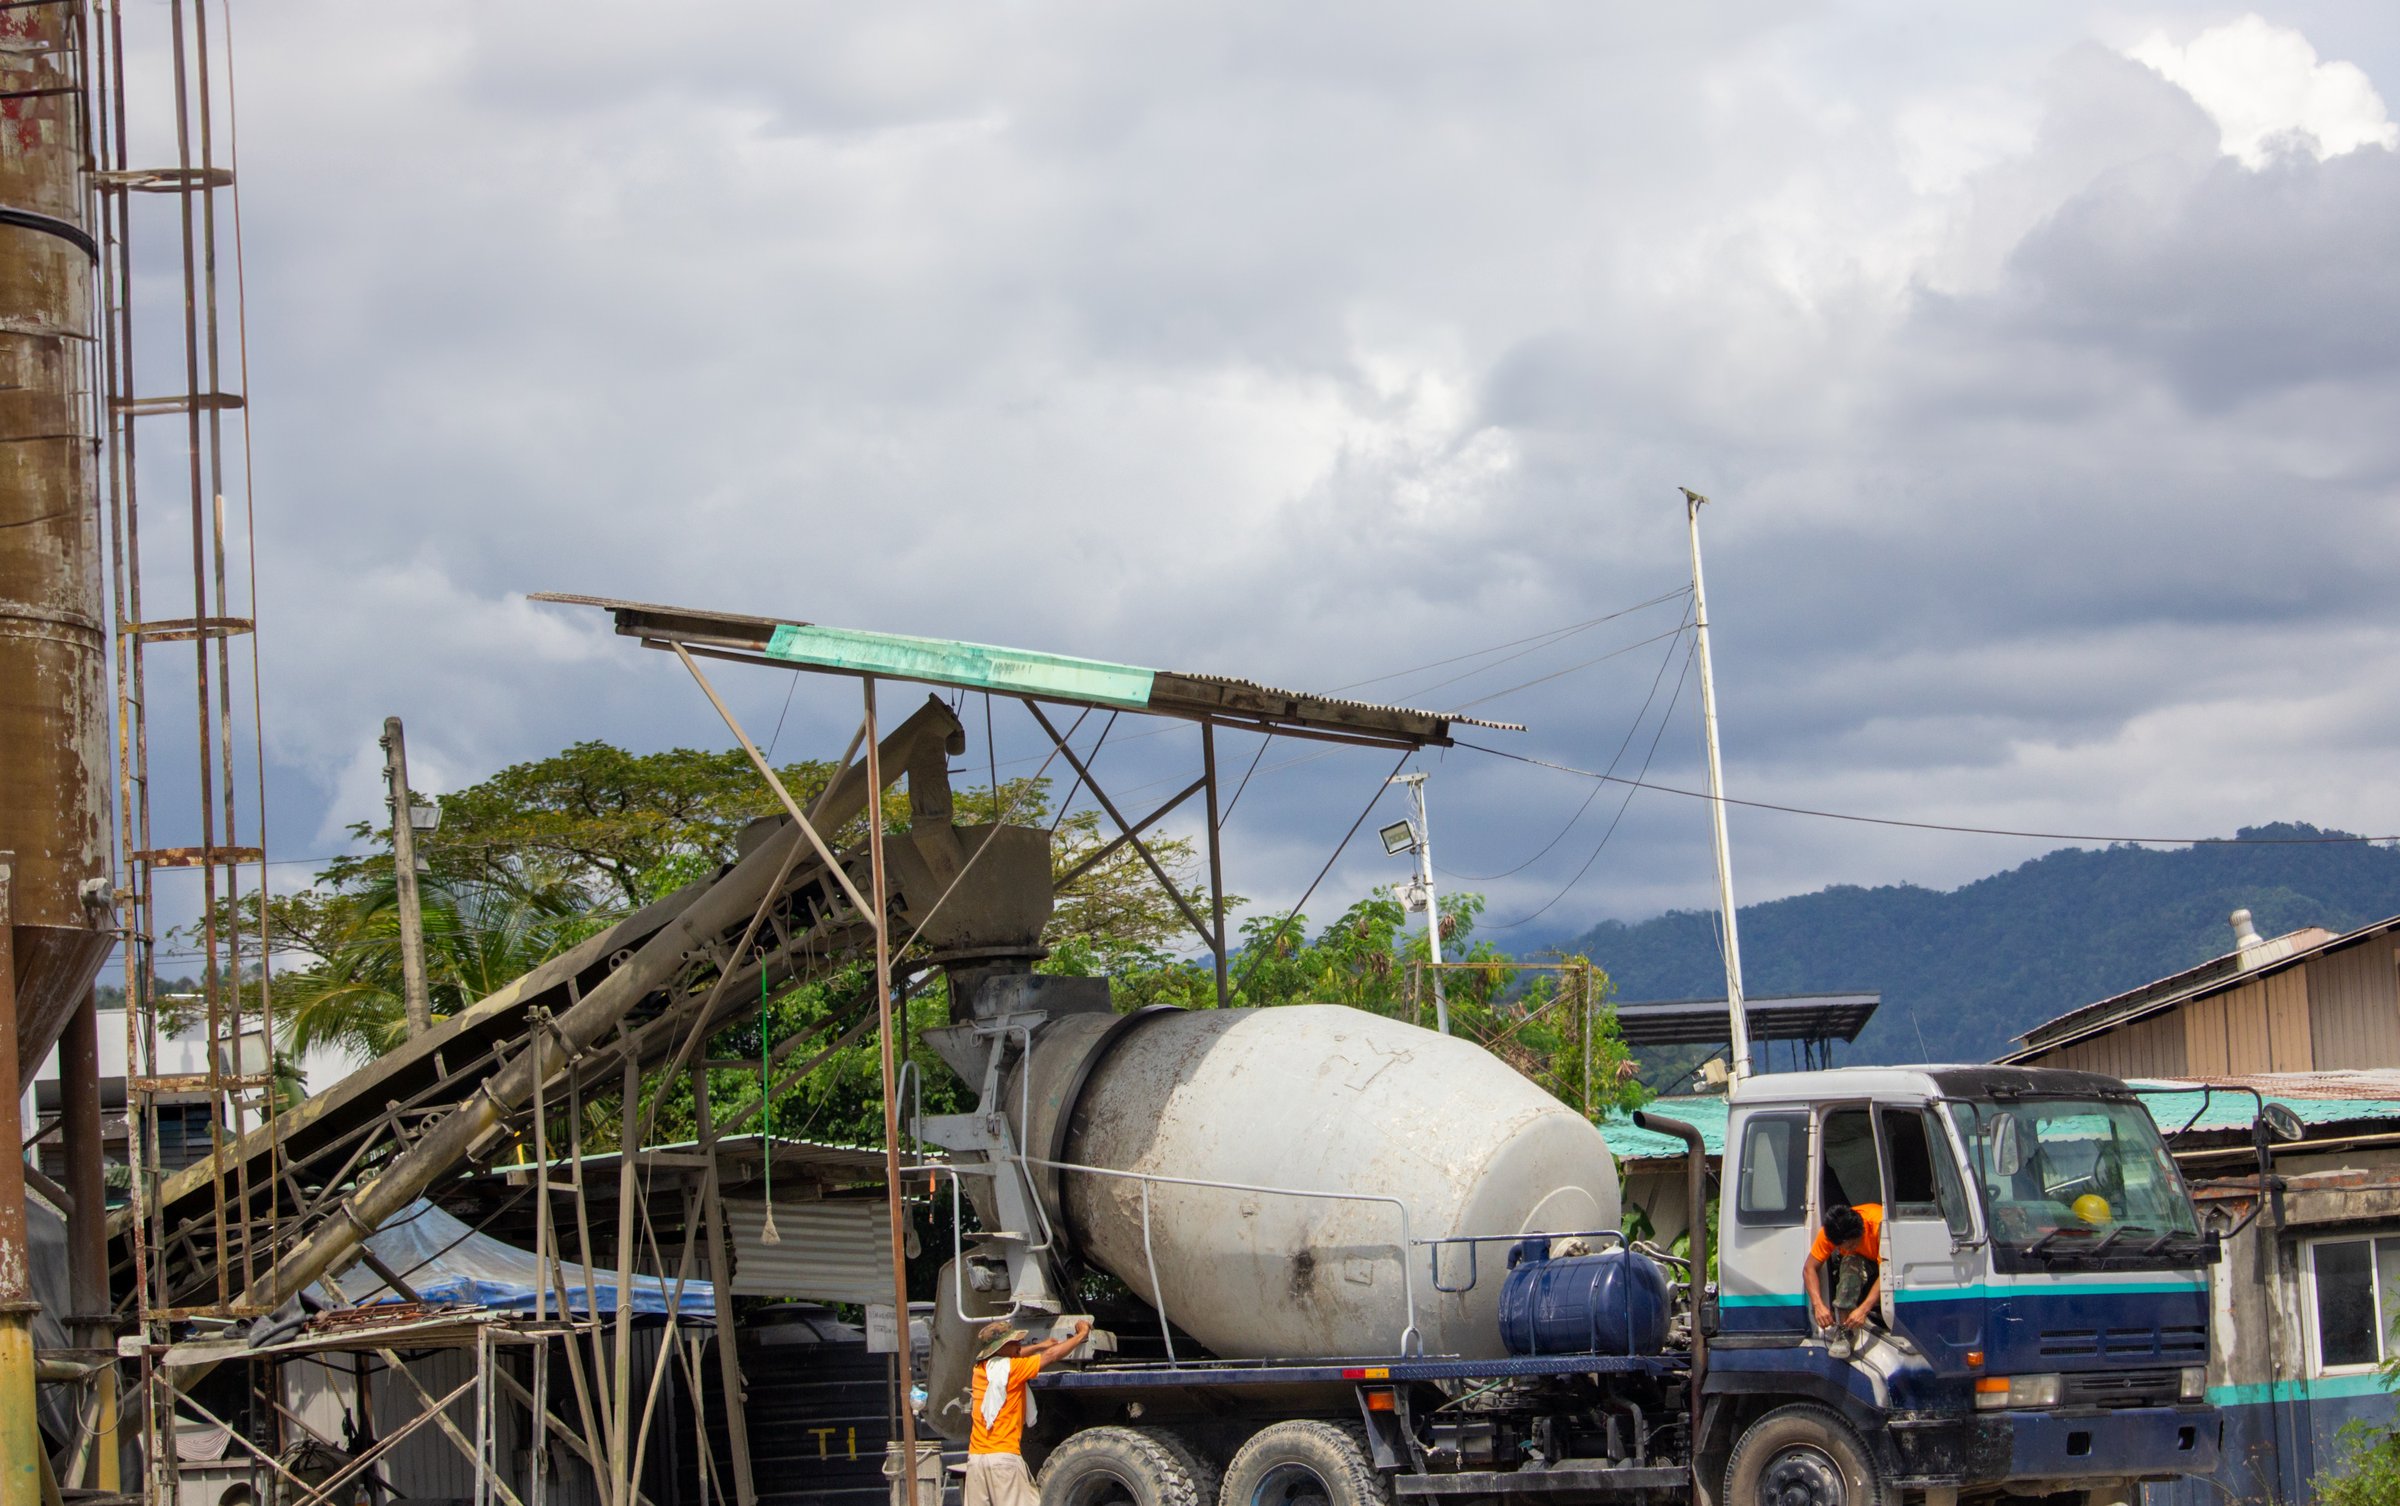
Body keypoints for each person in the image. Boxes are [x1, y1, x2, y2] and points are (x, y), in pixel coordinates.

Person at [964, 1315, 1094, 1506]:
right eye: (1014, 1342)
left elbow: (1017, 1354)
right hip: (1003, 1460)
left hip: (976, 1461)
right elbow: (1051, 1357)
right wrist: (1080, 1334)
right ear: (1000, 1348)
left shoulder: (980, 1370)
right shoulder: (1014, 1370)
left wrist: (1041, 1345)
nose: (1019, 1345)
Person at [1804, 1202, 1884, 1337]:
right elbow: (1809, 1268)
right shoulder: (1829, 1232)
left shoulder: (1879, 1225)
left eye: (1852, 1244)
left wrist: (1863, 1310)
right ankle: (1844, 1331)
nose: (1847, 1249)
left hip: (1887, 1267)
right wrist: (1818, 1305)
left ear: (1862, 1231)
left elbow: (1887, 1274)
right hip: (1863, 1264)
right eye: (1842, 1247)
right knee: (1850, 1261)